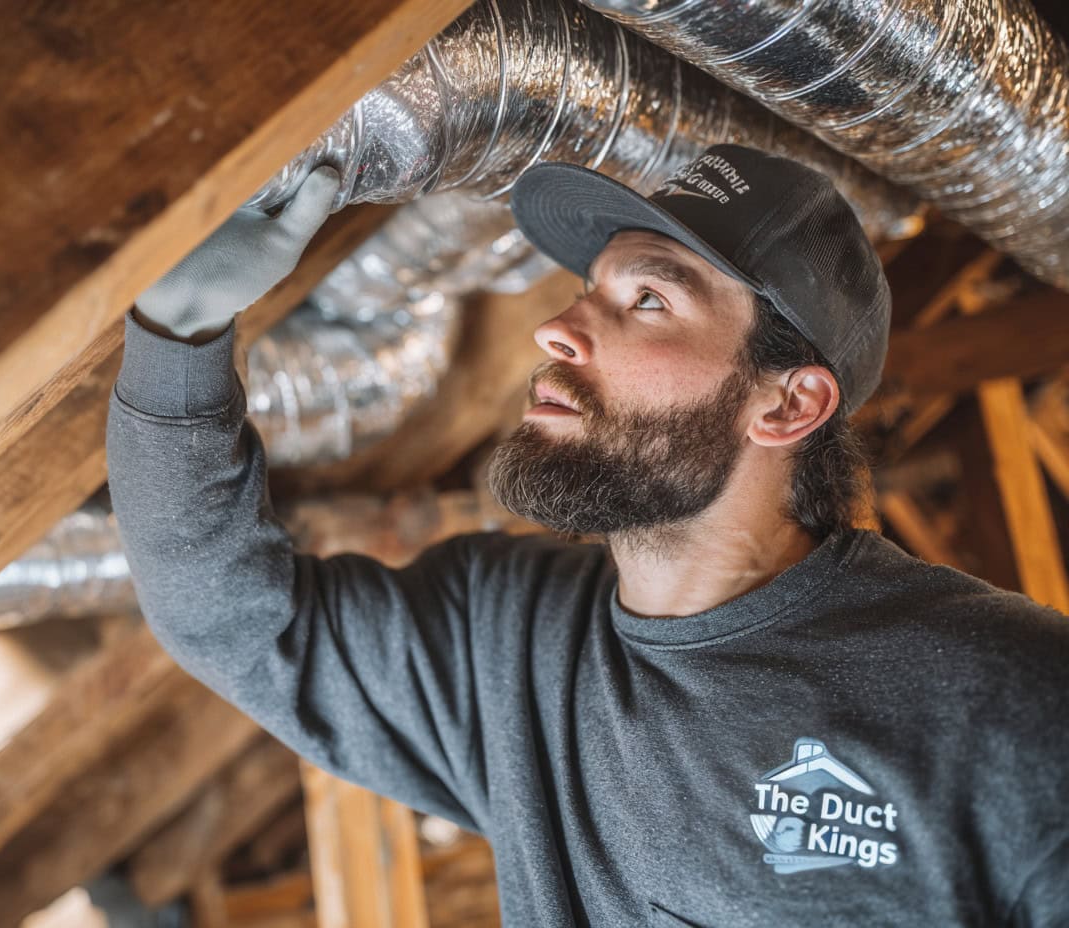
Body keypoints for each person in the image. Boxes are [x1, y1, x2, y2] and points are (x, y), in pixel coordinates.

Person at [106, 145, 1069, 926]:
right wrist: (175, 339)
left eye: (648, 298)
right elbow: (233, 622)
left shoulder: (1010, 697)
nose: (558, 330)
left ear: (786, 402)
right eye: (589, 290)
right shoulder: (508, 639)